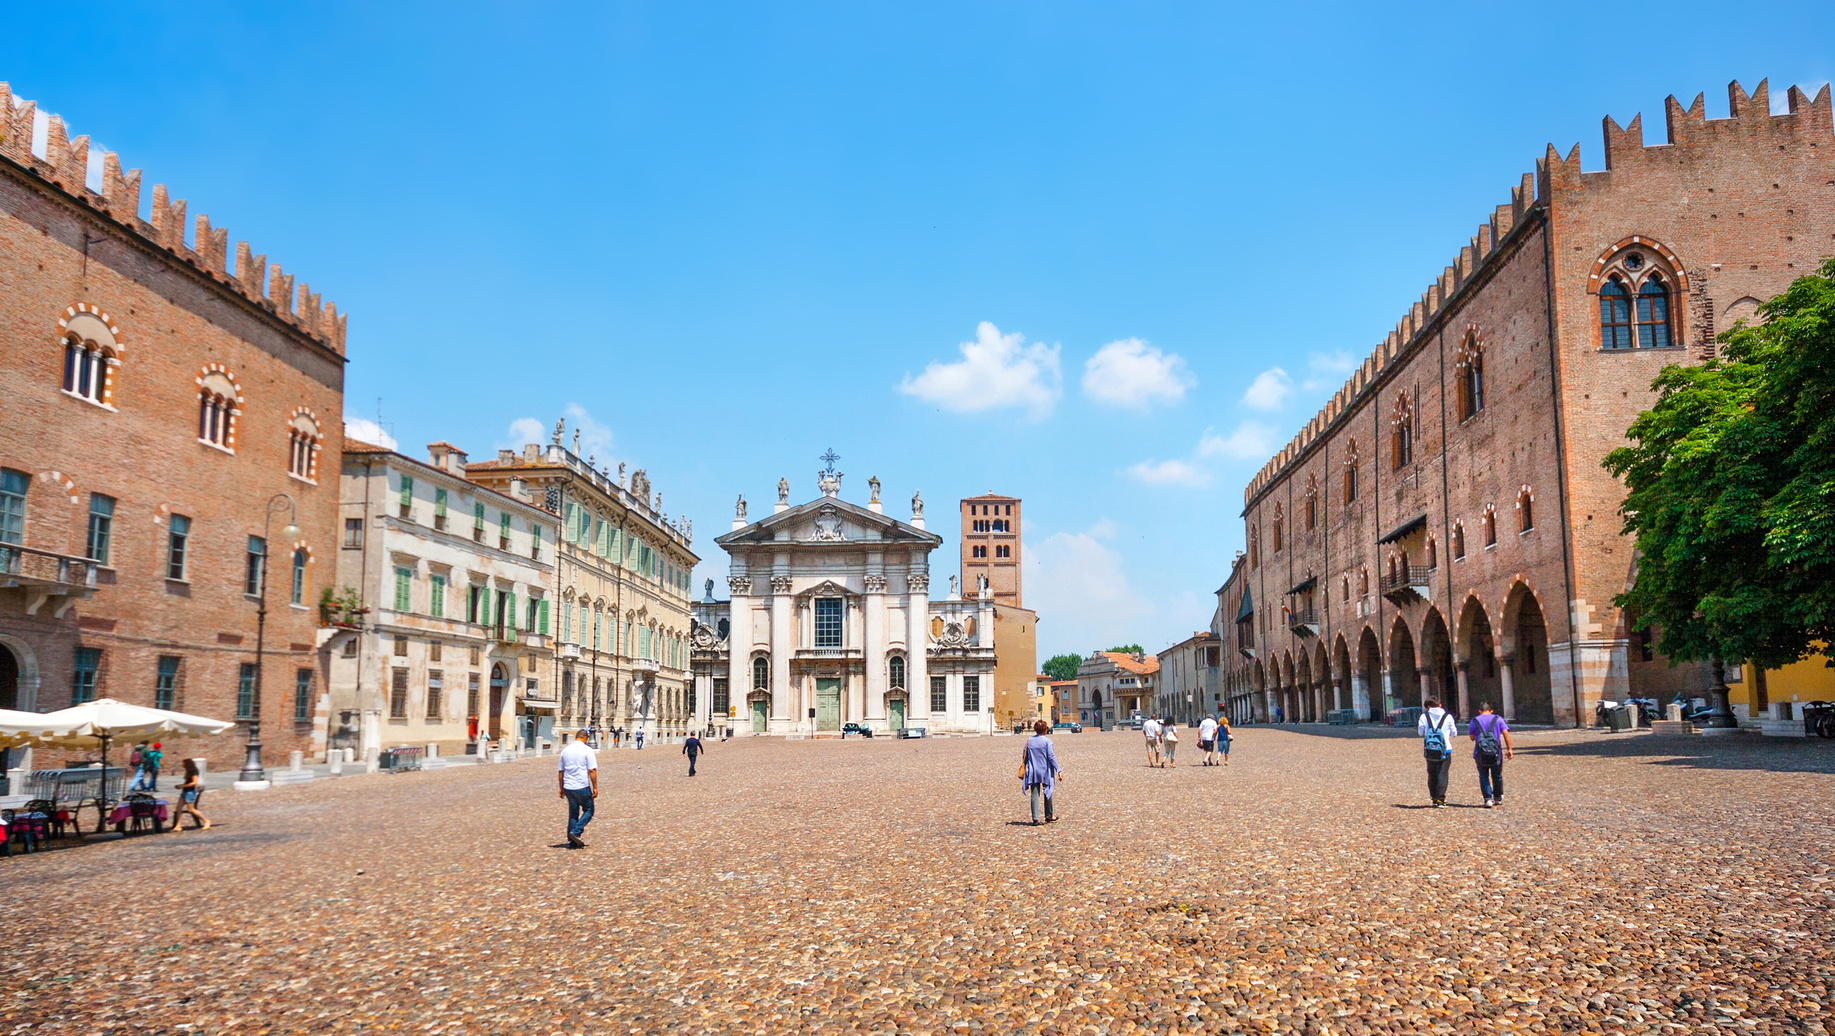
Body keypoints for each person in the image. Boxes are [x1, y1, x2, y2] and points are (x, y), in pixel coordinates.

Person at [556, 728, 599, 848]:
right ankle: (575, 832)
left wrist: (561, 787)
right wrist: (595, 787)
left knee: (573, 812)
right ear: (585, 738)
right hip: (582, 785)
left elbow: (561, 771)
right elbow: (591, 770)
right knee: (589, 810)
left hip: (568, 786)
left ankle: (573, 841)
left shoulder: (566, 750)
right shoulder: (587, 750)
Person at [1467, 701, 1514, 807]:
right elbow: (1506, 733)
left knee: (1483, 775)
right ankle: (1497, 797)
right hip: (1496, 753)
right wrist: (1509, 749)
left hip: (1480, 753)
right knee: (1497, 775)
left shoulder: (1475, 720)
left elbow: (1472, 737)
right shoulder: (1498, 719)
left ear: (1479, 711)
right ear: (1491, 710)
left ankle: (1488, 798)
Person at [1417, 697, 1459, 807]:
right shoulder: (1448, 717)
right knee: (1443, 773)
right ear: (1440, 705)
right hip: (1445, 749)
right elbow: (1454, 733)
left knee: (1432, 774)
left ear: (1428, 706)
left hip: (1430, 750)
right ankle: (1441, 799)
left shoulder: (1424, 717)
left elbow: (1420, 733)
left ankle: (1434, 797)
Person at [1020, 719, 1062, 825]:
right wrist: (1058, 769)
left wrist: (1024, 767)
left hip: (1033, 770)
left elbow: (1024, 756)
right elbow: (1051, 757)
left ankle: (1035, 818)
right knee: (1048, 791)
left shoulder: (1029, 741)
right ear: (1045, 729)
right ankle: (1049, 815)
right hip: (1045, 770)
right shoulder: (1047, 742)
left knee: (1034, 794)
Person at [170, 758, 210, 833]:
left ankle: (206, 820)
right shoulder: (188, 771)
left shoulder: (194, 771)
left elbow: (194, 782)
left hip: (190, 792)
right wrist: (181, 786)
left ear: (187, 764)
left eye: (183, 763)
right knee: (178, 808)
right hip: (184, 791)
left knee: (191, 809)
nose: (182, 764)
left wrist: (183, 786)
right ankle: (178, 826)